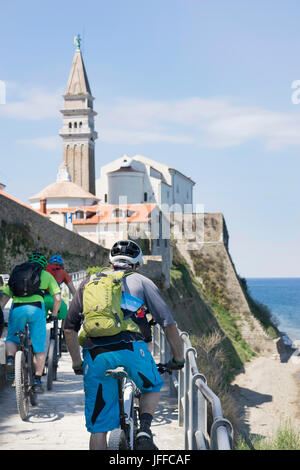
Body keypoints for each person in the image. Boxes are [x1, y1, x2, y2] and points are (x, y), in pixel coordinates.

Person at [64, 240, 185, 450]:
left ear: (111, 261)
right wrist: (178, 359)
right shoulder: (142, 281)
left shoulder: (88, 283)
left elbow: (69, 328)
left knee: (98, 428)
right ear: (137, 263)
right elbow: (168, 324)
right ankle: (145, 431)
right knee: (152, 385)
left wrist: (77, 363)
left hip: (95, 355)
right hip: (131, 350)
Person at [0, 252, 61, 392]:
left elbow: (4, 298)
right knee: (39, 346)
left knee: (11, 338)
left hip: (17, 309)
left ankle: (10, 359)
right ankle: (37, 380)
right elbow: (57, 298)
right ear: (44, 265)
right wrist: (54, 314)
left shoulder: (18, 274)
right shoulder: (46, 275)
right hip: (36, 310)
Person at [44, 254, 76, 350]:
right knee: (65, 316)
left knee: (40, 319)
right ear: (61, 264)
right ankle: (63, 341)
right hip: (56, 300)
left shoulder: (44, 271)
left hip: (43, 300)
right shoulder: (63, 272)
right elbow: (73, 291)